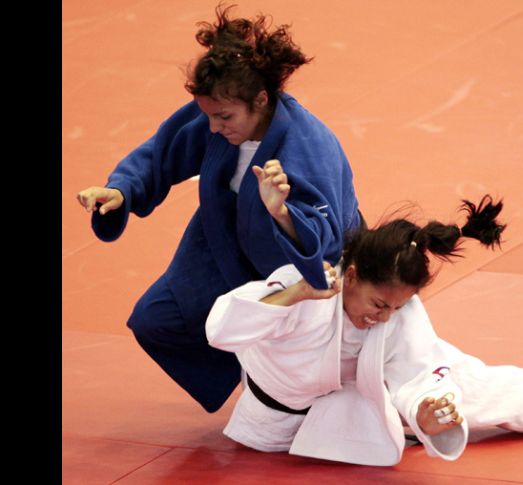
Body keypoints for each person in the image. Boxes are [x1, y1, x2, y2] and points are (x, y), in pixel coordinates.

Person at [205, 194, 523, 466]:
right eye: (378, 303)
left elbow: (418, 372)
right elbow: (222, 329)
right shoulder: (305, 289)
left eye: (397, 307)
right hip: (279, 423)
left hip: (367, 389)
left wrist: (429, 412)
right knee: (425, 402)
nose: (383, 317)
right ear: (350, 276)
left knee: (476, 387)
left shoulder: (399, 315)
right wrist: (295, 295)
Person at [75, 5, 361, 413]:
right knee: (156, 320)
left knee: (304, 368)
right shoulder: (216, 115)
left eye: (223, 116)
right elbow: (162, 152)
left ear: (261, 100)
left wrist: (282, 213)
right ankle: (254, 375)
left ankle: (276, 389)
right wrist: (122, 189)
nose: (213, 126)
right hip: (221, 245)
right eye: (208, 115)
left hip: (296, 269)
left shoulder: (308, 144)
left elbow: (328, 237)